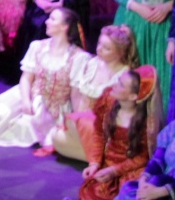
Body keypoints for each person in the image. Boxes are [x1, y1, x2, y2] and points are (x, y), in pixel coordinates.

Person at [0, 7, 89, 150]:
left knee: (26, 128)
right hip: (30, 94)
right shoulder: (38, 47)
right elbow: (26, 78)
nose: (47, 22)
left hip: (54, 106)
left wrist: (77, 119)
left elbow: (76, 94)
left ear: (64, 26)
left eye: (52, 19)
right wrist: (26, 101)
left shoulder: (78, 57)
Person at [54, 25, 142, 161]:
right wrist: (78, 118)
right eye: (99, 43)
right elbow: (76, 93)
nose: (99, 49)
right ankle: (100, 156)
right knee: (58, 137)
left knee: (77, 133)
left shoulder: (124, 74)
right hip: (81, 121)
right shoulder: (91, 63)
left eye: (107, 48)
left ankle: (102, 156)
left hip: (103, 126)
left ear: (120, 53)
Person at [78, 66, 157, 200]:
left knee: (129, 192)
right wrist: (94, 164)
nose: (114, 85)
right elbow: (99, 135)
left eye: (121, 85)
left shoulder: (146, 122)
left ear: (133, 96)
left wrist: (115, 170)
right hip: (109, 162)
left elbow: (142, 157)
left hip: (131, 168)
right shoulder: (107, 104)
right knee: (92, 193)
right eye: (118, 81)